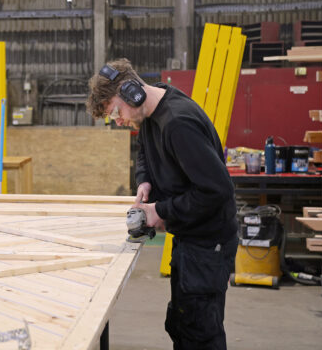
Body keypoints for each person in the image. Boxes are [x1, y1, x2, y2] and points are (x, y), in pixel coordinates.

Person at [86, 58, 238, 350]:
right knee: (182, 323)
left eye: (116, 111)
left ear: (133, 91)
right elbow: (144, 149)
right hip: (189, 236)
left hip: (208, 244)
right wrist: (145, 181)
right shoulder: (151, 112)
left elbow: (217, 190)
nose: (118, 120)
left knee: (200, 332)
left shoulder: (178, 123)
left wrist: (160, 211)